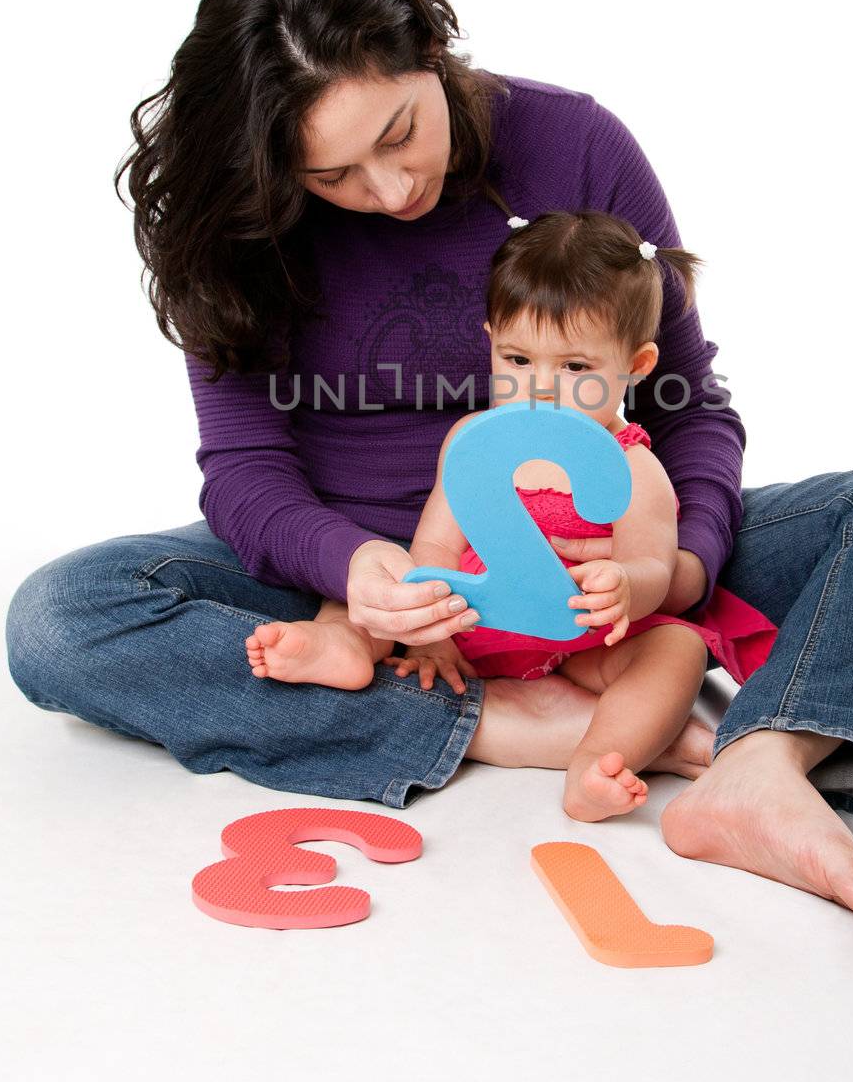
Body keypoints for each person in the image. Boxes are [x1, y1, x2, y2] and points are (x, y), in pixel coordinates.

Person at [4, 0, 853, 928]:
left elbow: (689, 397)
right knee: (63, 618)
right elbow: (246, 469)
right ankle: (510, 724)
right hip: (365, 571)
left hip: (598, 564)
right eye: (331, 177)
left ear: (430, 47)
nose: (386, 192)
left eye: (396, 135)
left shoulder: (573, 145)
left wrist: (677, 567)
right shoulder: (241, 225)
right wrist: (355, 571)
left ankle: (757, 764)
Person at [245, 208, 779, 824]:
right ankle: (342, 646)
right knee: (380, 580)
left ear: (636, 364)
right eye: (518, 360)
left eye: (575, 367)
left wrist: (626, 584)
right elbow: (435, 548)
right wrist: (436, 633)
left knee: (677, 649)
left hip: (577, 643)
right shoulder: (475, 440)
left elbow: (655, 564)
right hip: (470, 619)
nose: (541, 387)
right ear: (490, 339)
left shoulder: (632, 467)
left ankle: (600, 758)